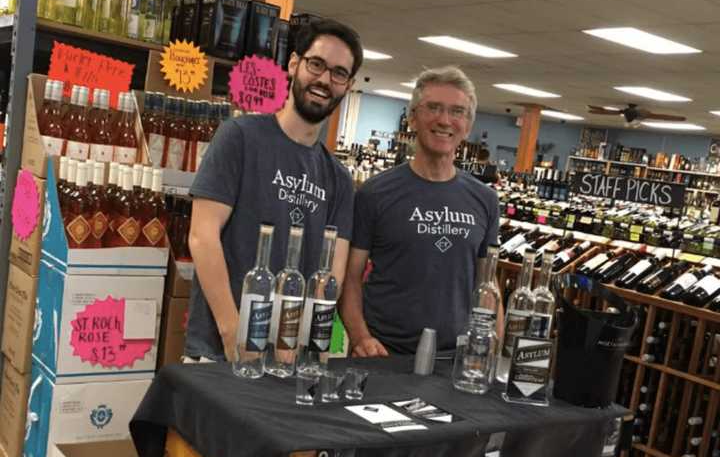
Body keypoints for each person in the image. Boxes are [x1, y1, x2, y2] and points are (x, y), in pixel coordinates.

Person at [185, 19, 363, 362]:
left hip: (290, 360)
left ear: (348, 85)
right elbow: (202, 236)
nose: (325, 80)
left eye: (339, 73)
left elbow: (334, 271)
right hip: (220, 353)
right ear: (294, 64)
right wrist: (230, 329)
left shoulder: (339, 178)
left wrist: (312, 340)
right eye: (317, 64)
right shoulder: (239, 137)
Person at [340, 66, 500, 356]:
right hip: (384, 354)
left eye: (457, 112)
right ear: (413, 117)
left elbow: (487, 283)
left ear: (467, 126)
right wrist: (360, 337)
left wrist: (493, 350)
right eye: (433, 108)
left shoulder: (485, 199)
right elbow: (350, 277)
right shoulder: (374, 193)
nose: (444, 120)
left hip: (454, 360)